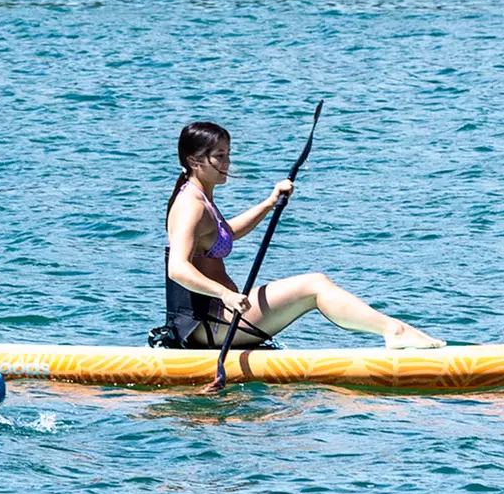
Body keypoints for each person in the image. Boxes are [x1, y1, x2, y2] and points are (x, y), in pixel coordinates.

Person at [161, 121, 443, 350]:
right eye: (219, 156)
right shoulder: (191, 205)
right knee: (314, 285)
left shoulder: (201, 198)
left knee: (315, 285)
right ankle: (393, 330)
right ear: (194, 160)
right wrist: (226, 294)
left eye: (228, 153)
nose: (227, 162)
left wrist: (269, 203)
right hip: (210, 324)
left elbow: (226, 234)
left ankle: (396, 330)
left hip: (220, 319)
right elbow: (177, 268)